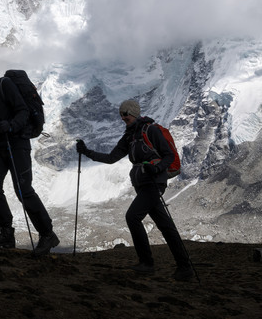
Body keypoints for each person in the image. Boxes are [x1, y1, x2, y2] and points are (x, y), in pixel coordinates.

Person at [76, 99, 194, 281]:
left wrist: (157, 168)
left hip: (154, 183)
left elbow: (169, 155)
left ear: (134, 113)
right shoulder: (130, 136)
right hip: (142, 184)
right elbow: (111, 158)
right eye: (121, 114)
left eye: (126, 113)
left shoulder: (151, 130)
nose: (123, 117)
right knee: (165, 225)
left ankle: (147, 263)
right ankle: (184, 266)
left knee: (132, 216)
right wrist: (86, 152)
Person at [0, 59, 59, 255]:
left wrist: (11, 125)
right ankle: (6, 233)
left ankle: (47, 234)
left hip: (17, 143)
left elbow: (23, 111)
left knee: (23, 190)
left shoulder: (4, 85)